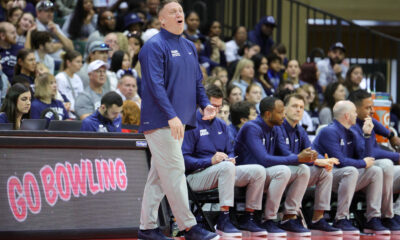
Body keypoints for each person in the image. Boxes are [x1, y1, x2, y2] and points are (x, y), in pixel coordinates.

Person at [137, 1, 218, 239]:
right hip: (161, 121)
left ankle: (147, 228)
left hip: (179, 122)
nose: (179, 14)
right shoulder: (153, 46)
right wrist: (171, 115)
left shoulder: (189, 46)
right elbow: (154, 85)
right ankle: (189, 226)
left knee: (159, 177)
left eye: (181, 10)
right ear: (162, 20)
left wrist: (205, 104)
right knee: (174, 170)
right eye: (173, 11)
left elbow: (196, 82)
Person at [182, 85, 267, 238]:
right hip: (195, 176)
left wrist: (231, 158)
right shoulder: (190, 122)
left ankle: (248, 217)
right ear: (202, 103)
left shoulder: (221, 124)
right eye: (213, 106)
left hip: (222, 170)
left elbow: (230, 151)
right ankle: (224, 219)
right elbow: (184, 160)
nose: (217, 110)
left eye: (219, 107)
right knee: (226, 167)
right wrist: (210, 161)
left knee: (258, 171)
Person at [235, 97, 316, 237]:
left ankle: (289, 217)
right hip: (244, 173)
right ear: (268, 114)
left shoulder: (275, 128)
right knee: (283, 170)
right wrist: (297, 158)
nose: (284, 116)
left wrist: (308, 159)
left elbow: (286, 153)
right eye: (280, 112)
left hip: (263, 173)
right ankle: (269, 218)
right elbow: (264, 159)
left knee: (303, 169)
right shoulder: (251, 127)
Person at [312, 100, 390, 234]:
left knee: (375, 170)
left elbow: (368, 159)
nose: (356, 115)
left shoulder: (351, 132)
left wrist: (367, 135)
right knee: (351, 170)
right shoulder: (329, 131)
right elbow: (340, 162)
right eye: (354, 112)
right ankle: (341, 218)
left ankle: (372, 218)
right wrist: (363, 163)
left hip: (344, 176)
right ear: (347, 116)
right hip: (326, 176)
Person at [278, 93, 342, 235]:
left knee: (325, 171)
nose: (299, 110)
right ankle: (289, 217)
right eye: (294, 106)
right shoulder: (278, 127)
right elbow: (285, 155)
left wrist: (324, 160)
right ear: (284, 109)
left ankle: (318, 218)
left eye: (301, 107)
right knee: (303, 169)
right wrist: (316, 160)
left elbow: (312, 151)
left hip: (297, 173)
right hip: (280, 173)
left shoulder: (300, 130)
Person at [348, 89, 400, 233]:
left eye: (372, 106)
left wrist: (390, 135)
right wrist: (396, 157)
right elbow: (369, 154)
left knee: (386, 166)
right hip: (360, 175)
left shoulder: (368, 120)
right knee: (385, 164)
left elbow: (379, 126)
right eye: (368, 107)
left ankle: (396, 213)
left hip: (374, 171)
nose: (372, 111)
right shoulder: (349, 127)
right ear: (354, 109)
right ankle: (381, 217)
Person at [55, 50, 84, 118]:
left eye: (81, 62)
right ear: (68, 63)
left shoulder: (77, 78)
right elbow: (61, 99)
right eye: (78, 62)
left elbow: (81, 97)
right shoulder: (60, 78)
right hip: (68, 114)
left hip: (78, 113)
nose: (81, 64)